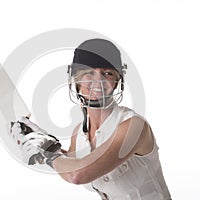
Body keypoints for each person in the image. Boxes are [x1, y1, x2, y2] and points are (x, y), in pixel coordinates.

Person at [10, 38, 171, 200]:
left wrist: (48, 154)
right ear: (76, 79)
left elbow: (77, 175)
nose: (98, 80)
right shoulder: (78, 134)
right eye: (88, 73)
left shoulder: (134, 127)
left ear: (117, 81)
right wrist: (43, 143)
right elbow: (68, 166)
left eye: (107, 73)